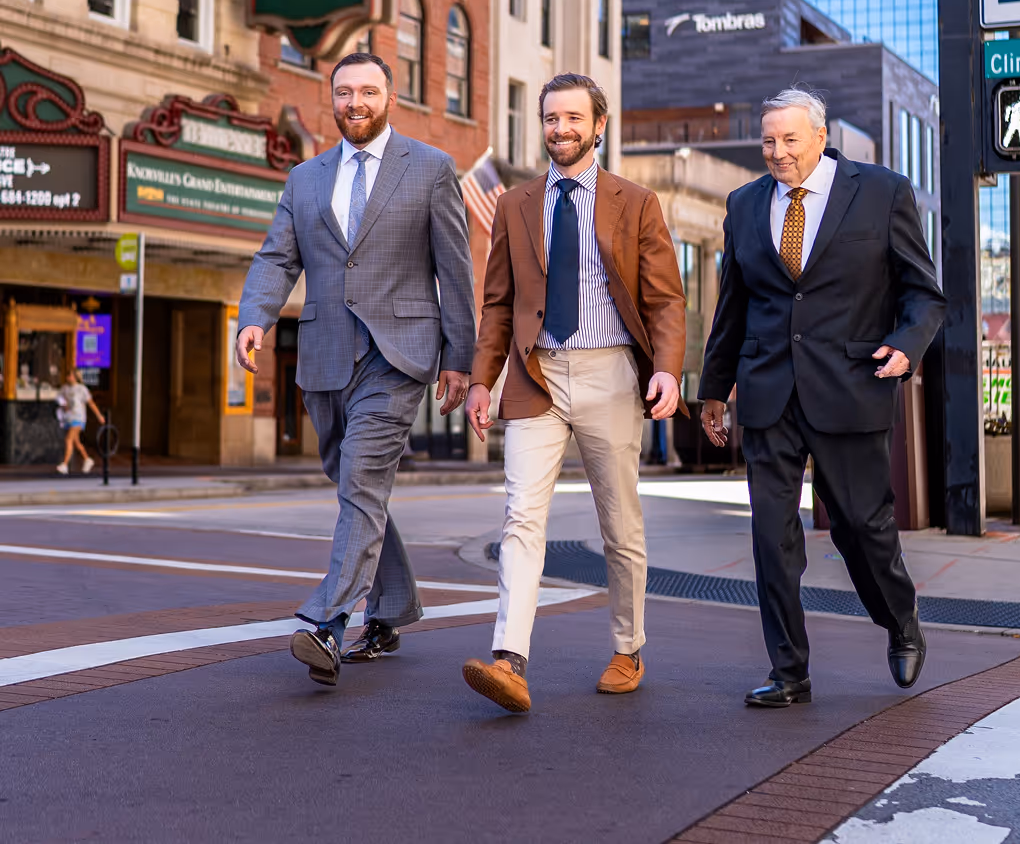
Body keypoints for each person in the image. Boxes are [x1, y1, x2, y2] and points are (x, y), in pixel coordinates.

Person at [699, 88, 946, 708]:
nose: (777, 152)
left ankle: (901, 620)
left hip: (851, 386)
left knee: (861, 528)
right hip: (768, 393)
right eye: (768, 140)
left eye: (789, 139)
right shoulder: (744, 204)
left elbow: (923, 293)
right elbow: (732, 304)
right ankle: (789, 671)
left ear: (819, 136)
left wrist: (906, 346)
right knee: (771, 537)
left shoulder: (883, 192)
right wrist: (713, 391)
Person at [236, 52, 475, 687]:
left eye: (368, 91)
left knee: (362, 478)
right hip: (324, 353)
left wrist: (460, 358)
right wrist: (255, 316)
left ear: (390, 98)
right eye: (344, 93)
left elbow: (455, 270)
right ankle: (392, 607)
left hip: (399, 353)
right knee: (354, 485)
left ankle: (327, 623)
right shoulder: (305, 178)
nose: (355, 103)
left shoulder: (430, 167)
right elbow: (276, 257)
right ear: (332, 99)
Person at [462, 73, 687, 713]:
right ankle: (510, 660)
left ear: (598, 126)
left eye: (572, 118)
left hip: (610, 374)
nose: (559, 129)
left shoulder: (635, 202)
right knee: (520, 517)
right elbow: (498, 303)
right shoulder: (515, 204)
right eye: (550, 118)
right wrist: (482, 380)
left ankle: (628, 646)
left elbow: (665, 299)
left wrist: (667, 370)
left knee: (619, 522)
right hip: (536, 374)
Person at [56, 370, 104, 475]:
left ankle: (64, 464)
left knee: (68, 439)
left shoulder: (82, 389)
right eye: (67, 375)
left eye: (70, 375)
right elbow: (59, 398)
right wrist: (63, 404)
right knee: (76, 442)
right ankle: (87, 459)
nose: (68, 377)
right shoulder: (65, 388)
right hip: (68, 417)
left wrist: (99, 415)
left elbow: (91, 403)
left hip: (78, 417)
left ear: (75, 377)